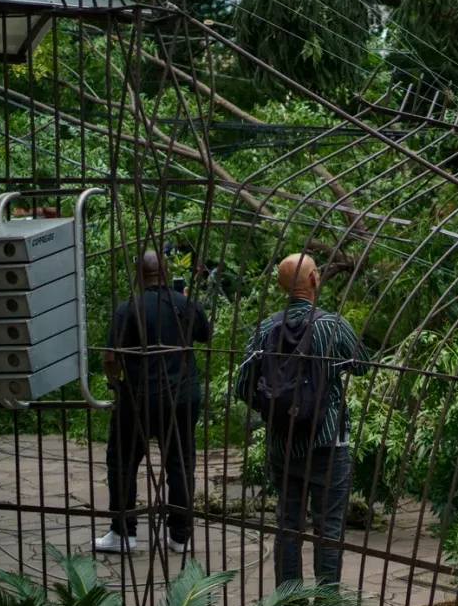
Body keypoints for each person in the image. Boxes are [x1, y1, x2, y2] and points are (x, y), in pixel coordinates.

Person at [237, 254, 368, 586]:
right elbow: (363, 365)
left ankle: (289, 605)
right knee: (329, 527)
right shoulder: (332, 325)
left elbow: (242, 385)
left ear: (282, 287)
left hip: (283, 443)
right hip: (327, 441)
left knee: (288, 525)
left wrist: (274, 409)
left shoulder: (266, 328)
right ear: (313, 279)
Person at [95, 250, 212, 553]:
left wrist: (113, 382)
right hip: (183, 398)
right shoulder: (185, 305)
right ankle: (179, 537)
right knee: (181, 464)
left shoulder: (127, 309)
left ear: (137, 275)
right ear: (166, 270)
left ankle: (123, 533)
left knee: (122, 462)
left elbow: (110, 358)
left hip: (139, 398)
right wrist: (187, 300)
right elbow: (205, 334)